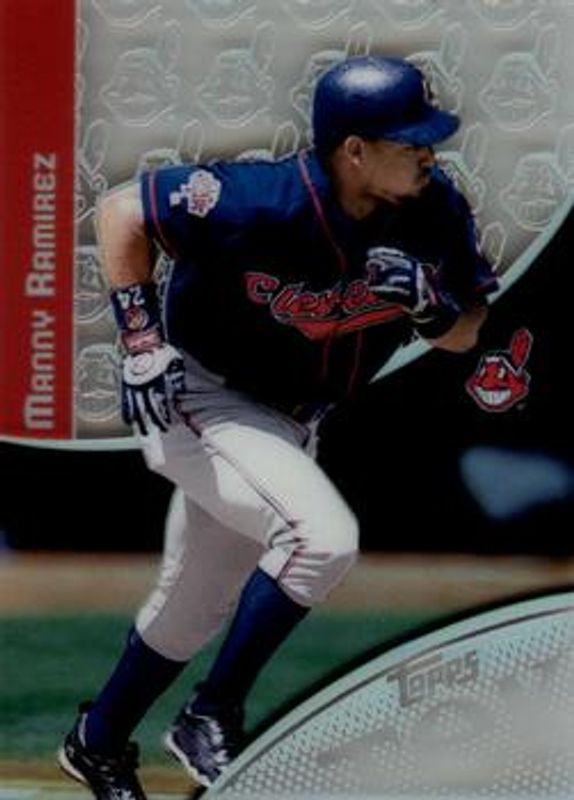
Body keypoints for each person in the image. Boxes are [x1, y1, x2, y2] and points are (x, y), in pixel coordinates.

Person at [57, 55, 498, 800]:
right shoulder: (261, 198)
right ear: (354, 150)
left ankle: (95, 744)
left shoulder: (434, 207)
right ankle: (211, 713)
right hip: (203, 395)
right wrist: (139, 340)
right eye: (411, 140)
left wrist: (431, 307)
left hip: (291, 421)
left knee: (190, 611)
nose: (429, 152)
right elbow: (124, 211)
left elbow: (467, 332)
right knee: (321, 539)